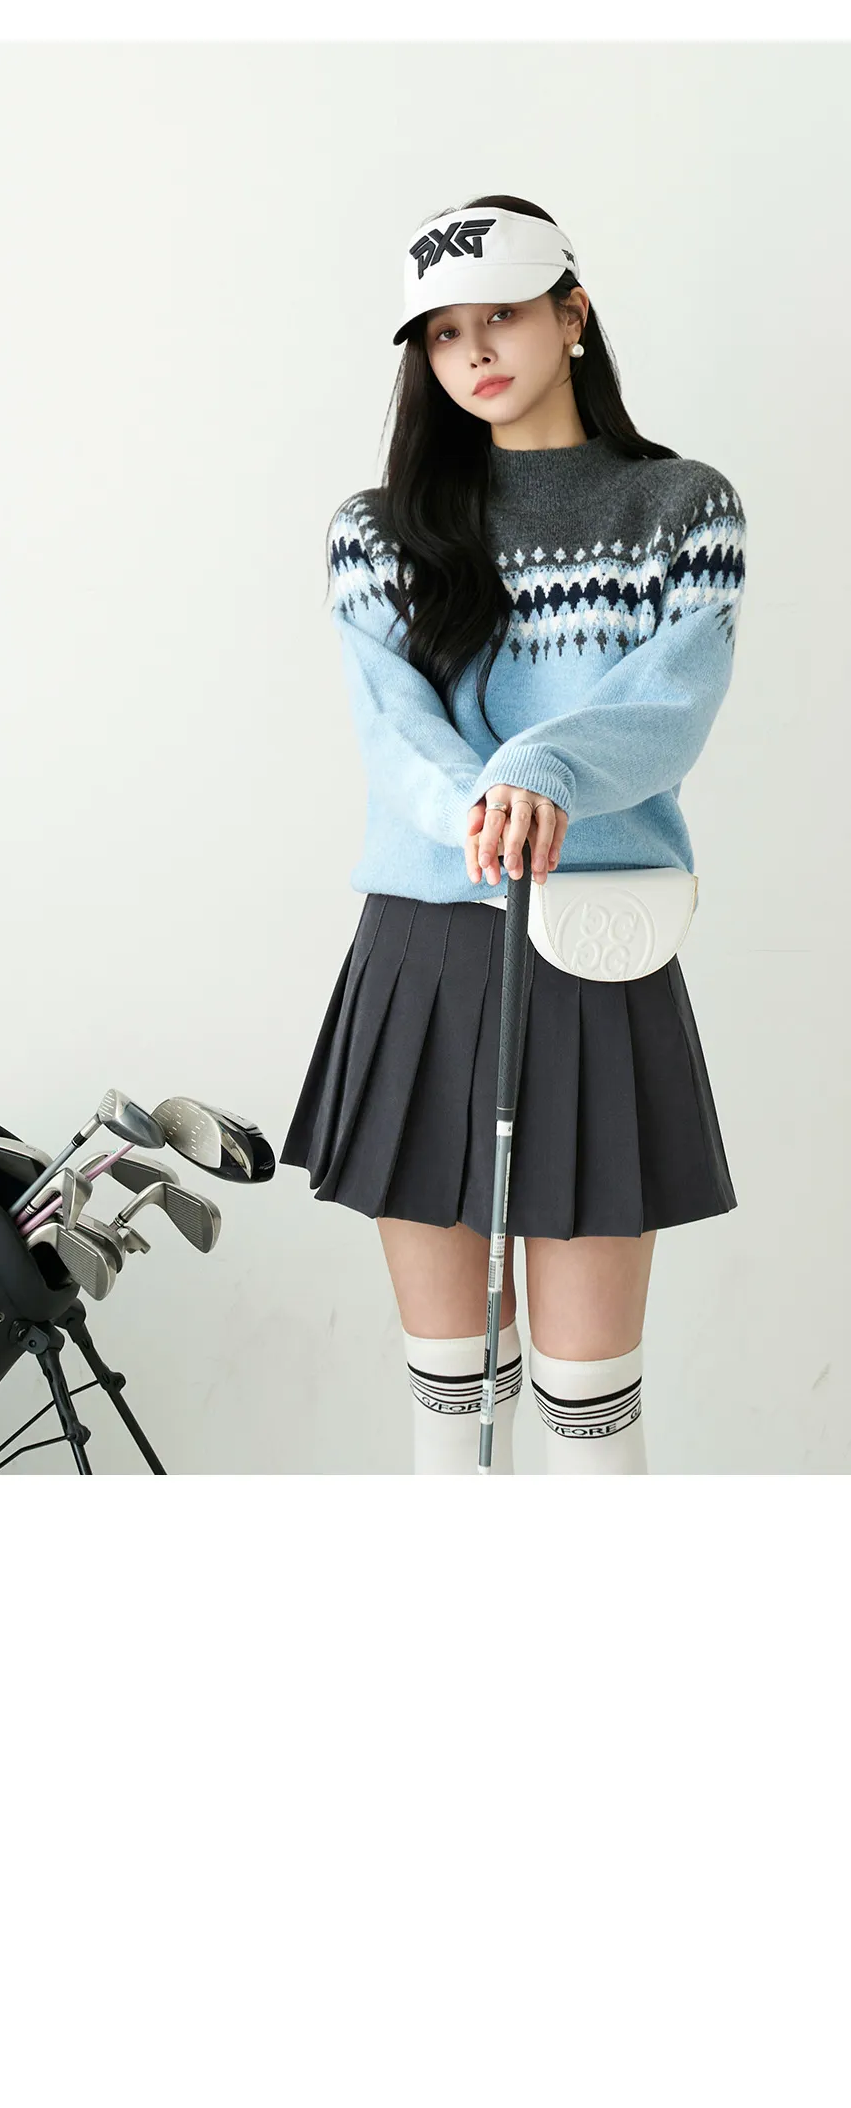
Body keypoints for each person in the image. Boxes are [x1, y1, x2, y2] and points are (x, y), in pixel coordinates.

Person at [280, 194, 746, 1477]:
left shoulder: (680, 506)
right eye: (442, 332)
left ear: (572, 314)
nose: (474, 350)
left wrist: (542, 770)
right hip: (423, 952)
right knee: (451, 1404)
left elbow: (670, 700)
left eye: (502, 314)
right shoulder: (378, 529)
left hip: (598, 946)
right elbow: (392, 722)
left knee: (589, 1404)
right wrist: (479, 810)